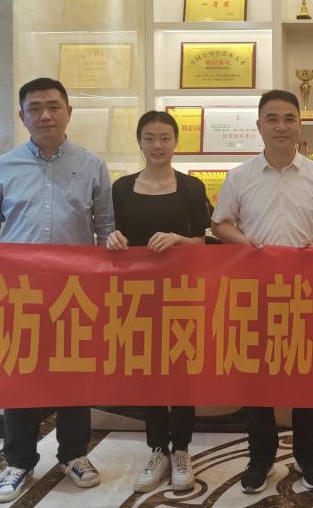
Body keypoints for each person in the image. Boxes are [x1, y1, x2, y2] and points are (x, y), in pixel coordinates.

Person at [0, 78, 114, 503]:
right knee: (20, 375)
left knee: (74, 374)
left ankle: (74, 454)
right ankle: (19, 461)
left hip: (75, 292)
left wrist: (112, 252)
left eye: (54, 106)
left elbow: (105, 226)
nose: (45, 115)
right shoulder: (3, 166)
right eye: (35, 108)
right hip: (19, 291)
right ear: (22, 116)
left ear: (69, 112)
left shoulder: (92, 165)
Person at [210, 89, 313, 494]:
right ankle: (260, 458)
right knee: (257, 379)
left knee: (308, 379)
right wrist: (245, 242)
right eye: (272, 118)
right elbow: (220, 223)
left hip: (306, 292)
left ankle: (309, 457)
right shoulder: (239, 176)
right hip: (255, 293)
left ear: (300, 125)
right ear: (259, 126)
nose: (281, 126)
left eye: (289, 118)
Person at [105, 111, 211, 494]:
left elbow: (203, 243)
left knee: (181, 371)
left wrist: (179, 240)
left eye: (165, 137)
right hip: (137, 295)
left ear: (176, 142)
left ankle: (181, 450)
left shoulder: (192, 187)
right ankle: (156, 450)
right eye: (149, 138)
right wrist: (112, 239)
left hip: (183, 293)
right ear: (140, 142)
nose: (157, 145)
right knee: (148, 373)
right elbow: (112, 234)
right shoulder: (121, 188)